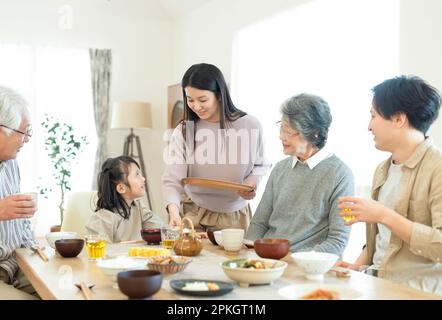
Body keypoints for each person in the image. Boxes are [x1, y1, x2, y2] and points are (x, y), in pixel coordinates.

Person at [338, 76, 442, 295]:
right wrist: (356, 267)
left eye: (373, 116)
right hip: (376, 284)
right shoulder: (382, 170)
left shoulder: (437, 168)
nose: (369, 126)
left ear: (398, 119)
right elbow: (383, 239)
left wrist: (383, 214)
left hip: (415, 291)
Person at [162, 63, 270, 232]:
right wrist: (174, 213)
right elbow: (172, 179)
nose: (196, 106)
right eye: (190, 100)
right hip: (193, 212)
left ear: (219, 94)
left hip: (235, 216)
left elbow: (260, 164)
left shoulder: (250, 124)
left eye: (202, 99)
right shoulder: (184, 130)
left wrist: (252, 183)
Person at [247, 93, 354, 256]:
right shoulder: (280, 168)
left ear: (315, 133)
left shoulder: (340, 174)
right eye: (281, 127)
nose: (281, 136)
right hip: (268, 261)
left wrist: (291, 259)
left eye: (289, 131)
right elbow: (258, 224)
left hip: (307, 267)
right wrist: (251, 257)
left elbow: (337, 241)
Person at [0, 86, 39, 300]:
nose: (27, 139)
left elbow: (20, 225)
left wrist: (35, 249)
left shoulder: (11, 165)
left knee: (69, 290)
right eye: (24, 132)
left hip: (17, 266)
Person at [86, 156, 165, 243]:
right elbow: (101, 251)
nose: (143, 178)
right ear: (121, 188)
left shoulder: (139, 208)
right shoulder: (103, 218)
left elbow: (162, 230)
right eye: (137, 175)